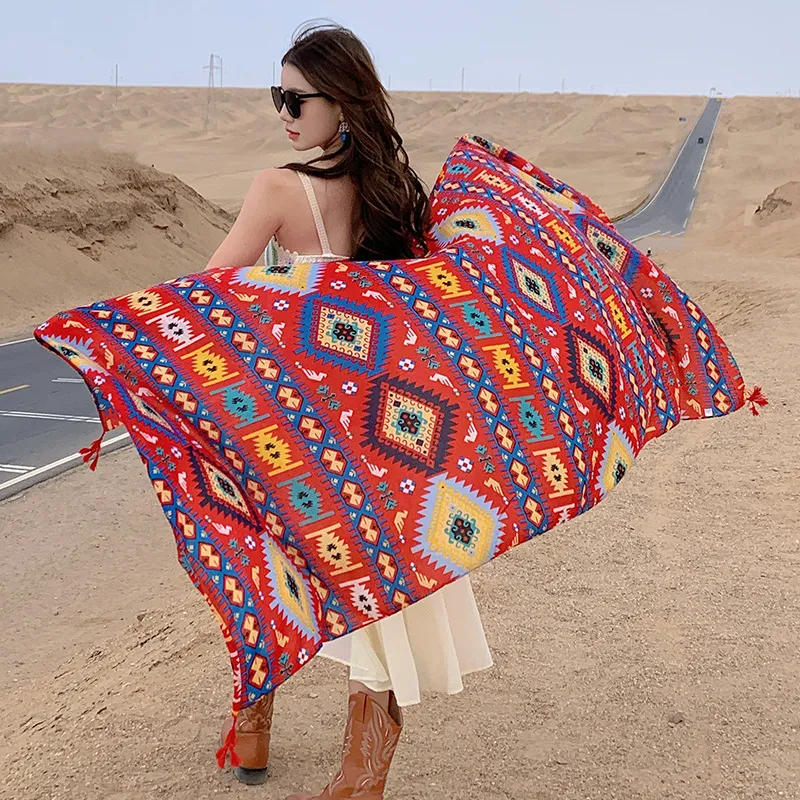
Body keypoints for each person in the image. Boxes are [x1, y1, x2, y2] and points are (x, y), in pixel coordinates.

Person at [205, 22, 493, 798]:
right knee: (384, 588)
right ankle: (362, 775)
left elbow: (206, 295)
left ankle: (256, 729)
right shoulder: (395, 194)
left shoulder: (276, 188)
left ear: (341, 101)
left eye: (295, 98)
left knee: (261, 558)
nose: (283, 113)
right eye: (277, 96)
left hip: (297, 428)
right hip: (386, 428)